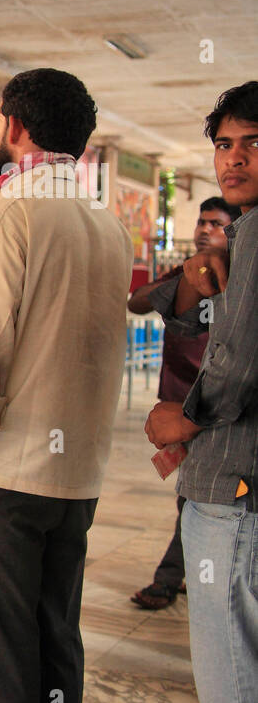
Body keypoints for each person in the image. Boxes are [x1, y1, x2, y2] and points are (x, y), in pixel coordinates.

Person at [0, 68, 132, 703]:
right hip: (75, 482)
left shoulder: (9, 212)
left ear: (14, 128)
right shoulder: (108, 229)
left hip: (0, 478)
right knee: (53, 647)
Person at [143, 81, 258, 703]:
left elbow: (238, 361)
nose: (234, 159)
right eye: (224, 145)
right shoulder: (235, 244)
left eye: (252, 144)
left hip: (235, 491)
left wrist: (180, 419)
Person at [128, 196, 238, 610]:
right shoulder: (185, 271)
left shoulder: (239, 275)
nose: (205, 230)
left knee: (197, 498)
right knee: (192, 494)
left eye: (215, 223)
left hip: (214, 404)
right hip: (176, 401)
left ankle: (169, 580)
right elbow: (137, 301)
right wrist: (180, 286)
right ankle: (188, 575)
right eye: (201, 222)